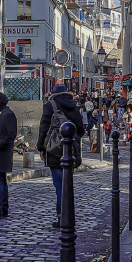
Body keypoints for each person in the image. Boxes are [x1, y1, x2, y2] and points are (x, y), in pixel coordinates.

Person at [37, 84, 85, 228]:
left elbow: (43, 128)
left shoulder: (50, 105)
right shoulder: (73, 105)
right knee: (68, 185)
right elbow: (81, 129)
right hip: (70, 151)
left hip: (53, 150)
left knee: (59, 187)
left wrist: (41, 148)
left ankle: (61, 217)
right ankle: (69, 216)